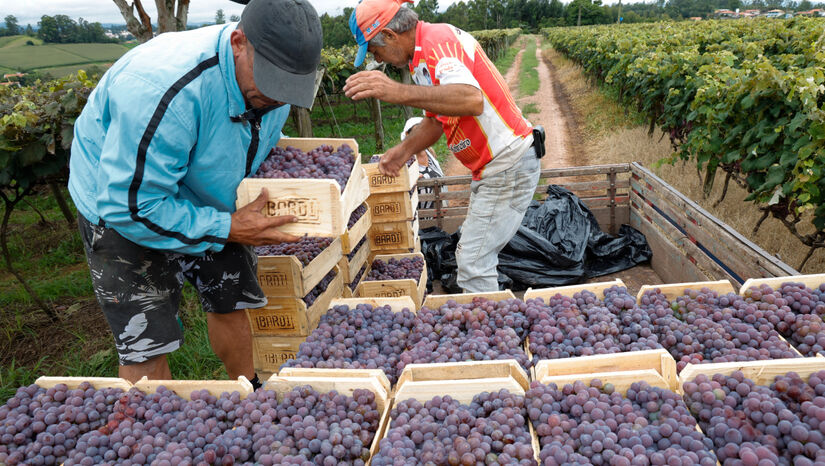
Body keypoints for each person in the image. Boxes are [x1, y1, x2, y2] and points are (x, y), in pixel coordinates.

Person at [67, 0, 322, 385]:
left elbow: (255, 134)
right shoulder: (162, 89)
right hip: (124, 201)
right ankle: (150, 433)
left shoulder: (270, 89)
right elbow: (132, 206)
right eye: (272, 83)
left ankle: (247, 395)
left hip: (207, 191)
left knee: (232, 297)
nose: (277, 98)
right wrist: (226, 227)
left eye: (289, 87)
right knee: (146, 337)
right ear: (239, 43)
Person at [344, 0, 543, 293]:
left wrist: (396, 92)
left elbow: (470, 100)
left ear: (388, 34)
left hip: (506, 165)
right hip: (495, 169)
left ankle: (490, 334)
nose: (380, 59)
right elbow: (437, 122)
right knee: (474, 257)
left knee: (474, 264)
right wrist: (403, 151)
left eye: (376, 51)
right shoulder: (421, 57)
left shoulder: (438, 46)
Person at [400, 117, 444, 211]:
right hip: (418, 219)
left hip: (438, 215)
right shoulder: (405, 160)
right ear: (407, 135)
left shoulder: (430, 154)